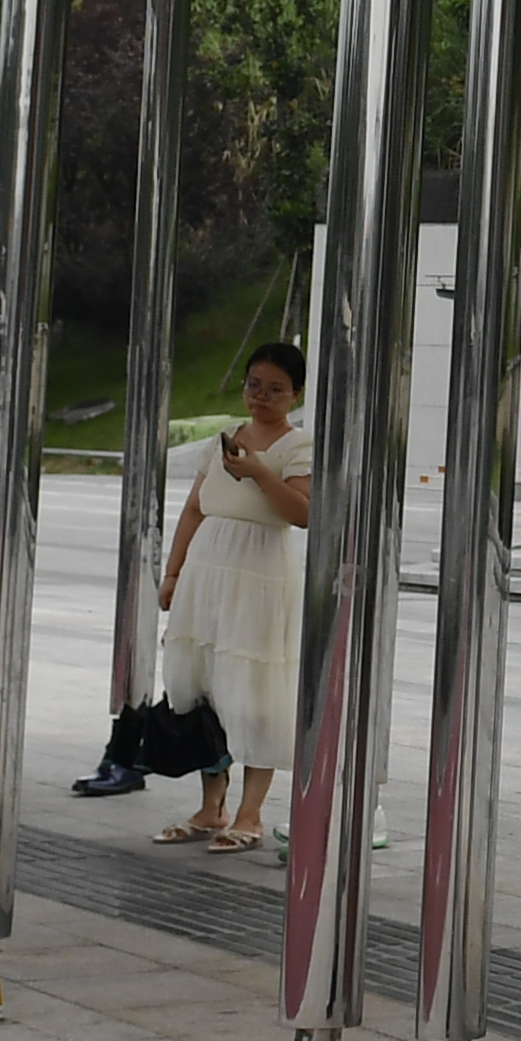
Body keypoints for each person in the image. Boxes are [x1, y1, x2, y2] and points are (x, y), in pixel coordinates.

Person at [147, 345, 307, 850]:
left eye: (275, 388)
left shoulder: (296, 446)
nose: (261, 397)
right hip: (207, 569)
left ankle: (251, 815)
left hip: (258, 570)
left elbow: (301, 513)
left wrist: (260, 472)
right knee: (201, 687)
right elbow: (195, 508)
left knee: (255, 694)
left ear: (294, 394)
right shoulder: (222, 440)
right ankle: (210, 807)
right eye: (253, 384)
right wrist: (173, 572)